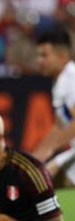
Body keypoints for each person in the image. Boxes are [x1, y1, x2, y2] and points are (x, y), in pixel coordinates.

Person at [32, 28, 75, 187]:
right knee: (36, 182)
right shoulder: (60, 81)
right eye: (38, 55)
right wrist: (36, 156)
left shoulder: (71, 79)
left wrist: (47, 150)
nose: (39, 60)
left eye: (44, 55)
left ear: (63, 57)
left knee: (36, 183)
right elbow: (59, 125)